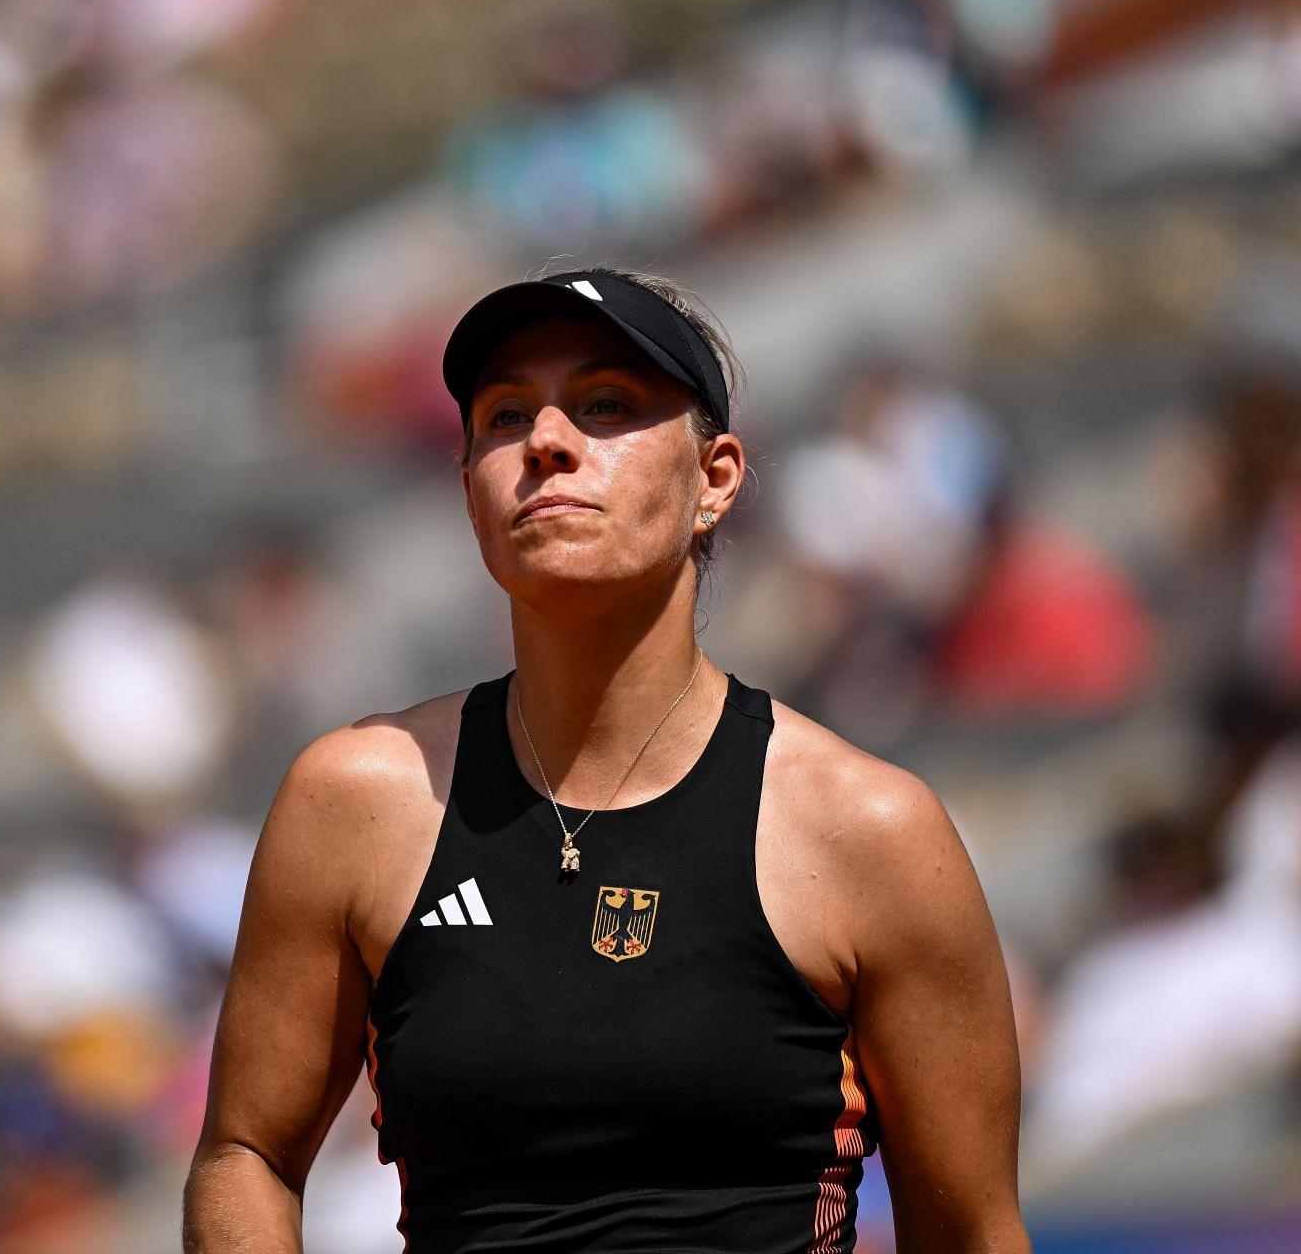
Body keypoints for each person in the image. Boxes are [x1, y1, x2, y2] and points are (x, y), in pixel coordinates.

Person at [183, 267, 1028, 1253]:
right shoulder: (357, 798)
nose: (545, 441)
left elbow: (971, 1228)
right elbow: (246, 1150)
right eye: (504, 416)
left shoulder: (869, 830)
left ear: (715, 479)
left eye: (606, 405)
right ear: (468, 493)